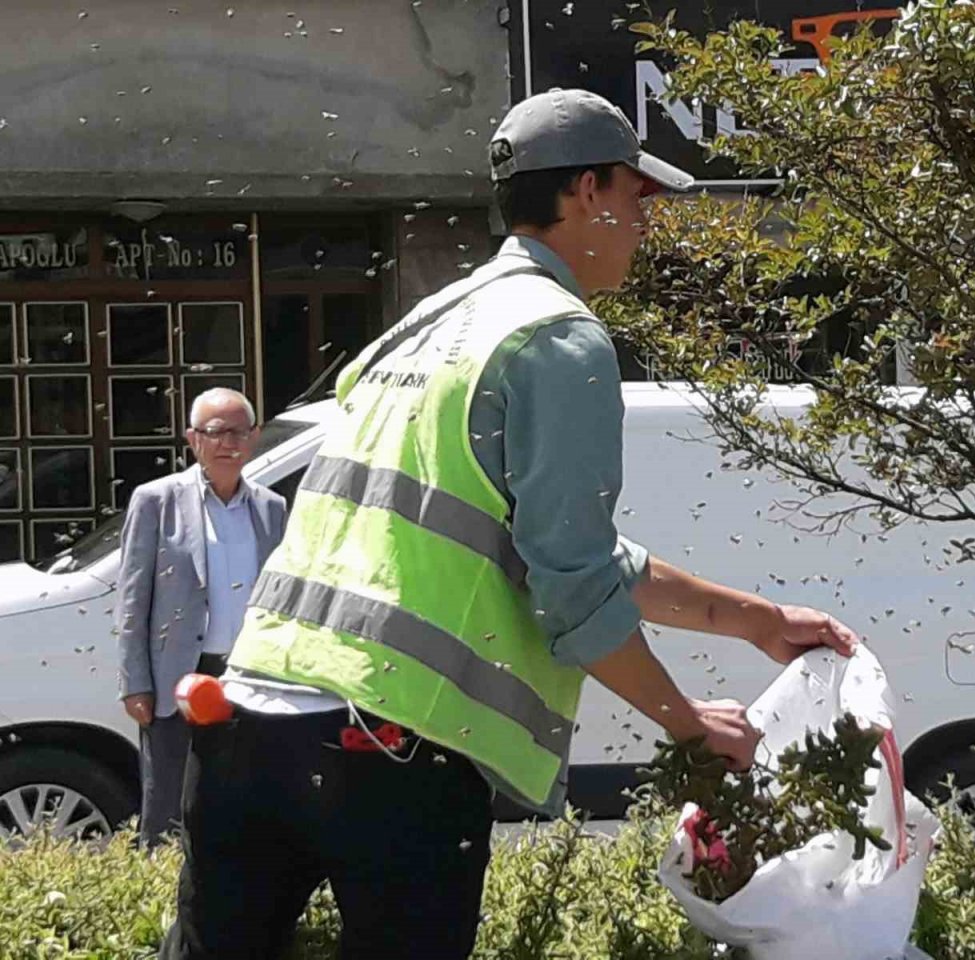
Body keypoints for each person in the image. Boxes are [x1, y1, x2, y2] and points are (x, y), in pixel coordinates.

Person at [159, 88, 860, 960]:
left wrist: (750, 621)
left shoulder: (424, 326)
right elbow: (571, 585)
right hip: (387, 754)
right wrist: (687, 722)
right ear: (587, 192)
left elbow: (524, 539)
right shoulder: (559, 340)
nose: (645, 222)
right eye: (638, 197)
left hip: (248, 725)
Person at [115, 387, 287, 847]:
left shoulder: (272, 508)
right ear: (193, 439)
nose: (228, 442)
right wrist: (135, 682)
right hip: (180, 674)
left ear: (254, 438)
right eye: (216, 432)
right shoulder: (156, 500)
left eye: (239, 432)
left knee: (244, 802)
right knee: (170, 806)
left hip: (249, 673)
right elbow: (134, 597)